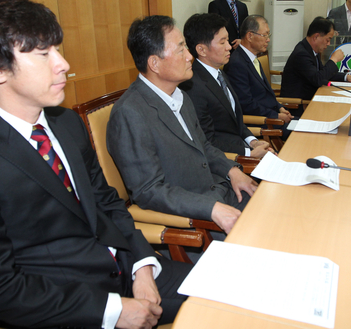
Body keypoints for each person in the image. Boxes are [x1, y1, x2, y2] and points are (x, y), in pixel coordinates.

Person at [0, 1, 192, 329]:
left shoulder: (65, 123)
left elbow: (106, 203)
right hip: (62, 307)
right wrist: (112, 310)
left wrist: (142, 266)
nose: (63, 64)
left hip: (128, 268)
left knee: (244, 291)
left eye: (57, 50)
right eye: (43, 53)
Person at [107, 15, 258, 234]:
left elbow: (203, 147)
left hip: (218, 192)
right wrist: (211, 208)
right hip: (191, 221)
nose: (189, 56)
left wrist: (232, 171)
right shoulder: (130, 113)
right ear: (154, 63)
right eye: (180, 50)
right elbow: (149, 190)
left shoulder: (180, 95)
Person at [179, 13, 273, 157]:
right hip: (229, 160)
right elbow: (207, 141)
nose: (229, 47)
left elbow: (236, 121)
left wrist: (253, 141)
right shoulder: (192, 87)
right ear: (201, 50)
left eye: (228, 41)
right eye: (222, 42)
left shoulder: (220, 73)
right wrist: (249, 153)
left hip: (242, 146)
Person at [222, 15, 294, 134]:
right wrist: (276, 115)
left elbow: (265, 94)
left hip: (271, 115)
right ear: (250, 36)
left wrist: (280, 107)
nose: (268, 40)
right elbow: (246, 104)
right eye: (265, 35)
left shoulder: (253, 58)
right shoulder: (237, 64)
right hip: (261, 122)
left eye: (268, 35)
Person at [281, 16, 351, 102]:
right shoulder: (302, 54)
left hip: (310, 97)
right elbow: (318, 79)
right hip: (298, 104)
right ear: (316, 36)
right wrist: (333, 60)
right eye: (327, 40)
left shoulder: (311, 49)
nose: (328, 44)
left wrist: (346, 77)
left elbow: (322, 73)